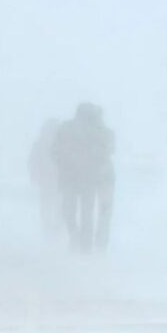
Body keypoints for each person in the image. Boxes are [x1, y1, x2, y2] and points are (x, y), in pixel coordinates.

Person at [52, 102, 116, 253]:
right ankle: (78, 238)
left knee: (85, 212)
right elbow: (55, 150)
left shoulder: (100, 131)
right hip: (71, 178)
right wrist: (66, 160)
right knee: (71, 211)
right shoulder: (66, 129)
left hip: (89, 179)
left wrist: (92, 160)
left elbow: (107, 151)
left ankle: (85, 245)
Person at [28, 118, 63, 240]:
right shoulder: (62, 143)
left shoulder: (39, 143)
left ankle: (49, 228)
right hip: (57, 180)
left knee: (48, 205)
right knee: (56, 206)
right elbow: (33, 161)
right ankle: (54, 228)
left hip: (48, 180)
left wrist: (34, 175)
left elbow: (32, 161)